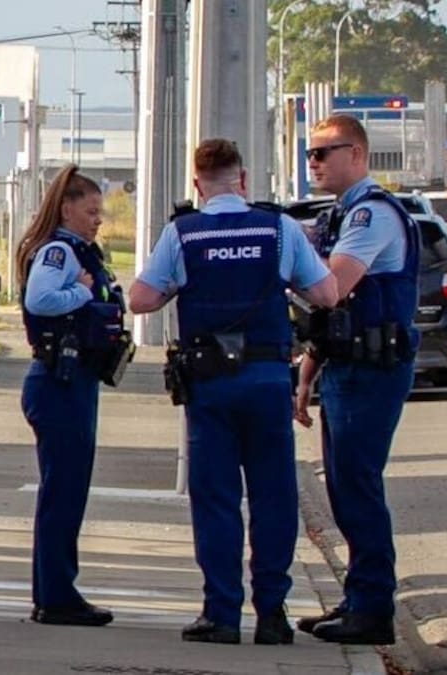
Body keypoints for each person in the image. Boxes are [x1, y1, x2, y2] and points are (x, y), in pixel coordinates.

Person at [129, 138, 338, 645]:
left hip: (210, 387)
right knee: (273, 497)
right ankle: (272, 614)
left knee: (216, 500)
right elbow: (327, 293)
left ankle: (221, 614)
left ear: (197, 185)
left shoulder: (183, 233)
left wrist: (182, 284)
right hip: (266, 381)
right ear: (242, 180)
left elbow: (141, 299)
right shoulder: (277, 227)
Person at [292, 114, 420, 646]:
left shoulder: (372, 215)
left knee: (357, 486)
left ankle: (372, 608)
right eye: (310, 153)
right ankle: (357, 597)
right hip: (346, 365)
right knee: (344, 488)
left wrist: (287, 256)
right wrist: (307, 374)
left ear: (358, 154)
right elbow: (331, 316)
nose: (314, 162)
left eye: (324, 152)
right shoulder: (343, 214)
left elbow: (333, 286)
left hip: (372, 369)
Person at [15, 164, 126, 627]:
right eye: (91, 211)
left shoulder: (80, 252)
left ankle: (54, 592)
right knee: (63, 493)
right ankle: (57, 596)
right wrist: (82, 293)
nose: (98, 220)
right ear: (66, 209)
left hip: (74, 381)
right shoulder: (60, 252)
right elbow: (40, 300)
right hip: (58, 382)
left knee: (67, 491)